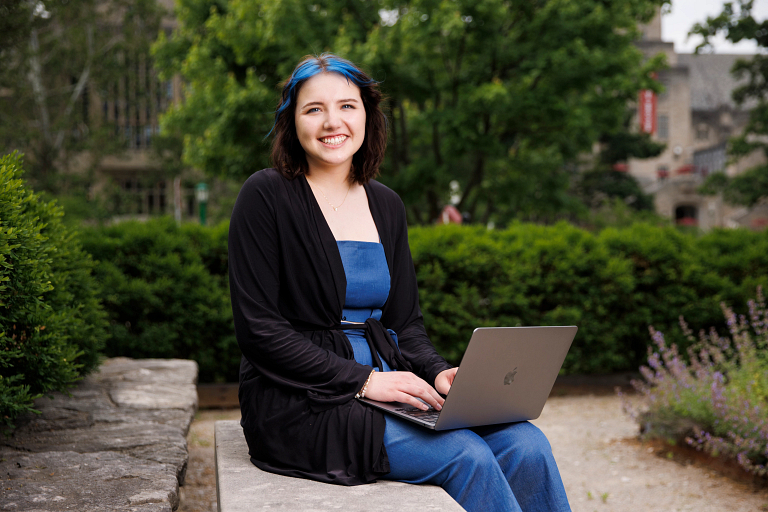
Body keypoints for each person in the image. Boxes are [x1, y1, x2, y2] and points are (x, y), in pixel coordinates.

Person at [228, 53, 571, 512]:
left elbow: (405, 323)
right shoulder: (264, 195)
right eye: (314, 109)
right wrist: (364, 381)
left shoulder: (386, 204)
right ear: (293, 121)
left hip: (388, 386)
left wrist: (438, 372)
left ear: (368, 114)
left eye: (347, 106)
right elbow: (260, 332)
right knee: (466, 455)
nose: (333, 121)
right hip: (300, 402)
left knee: (526, 444)